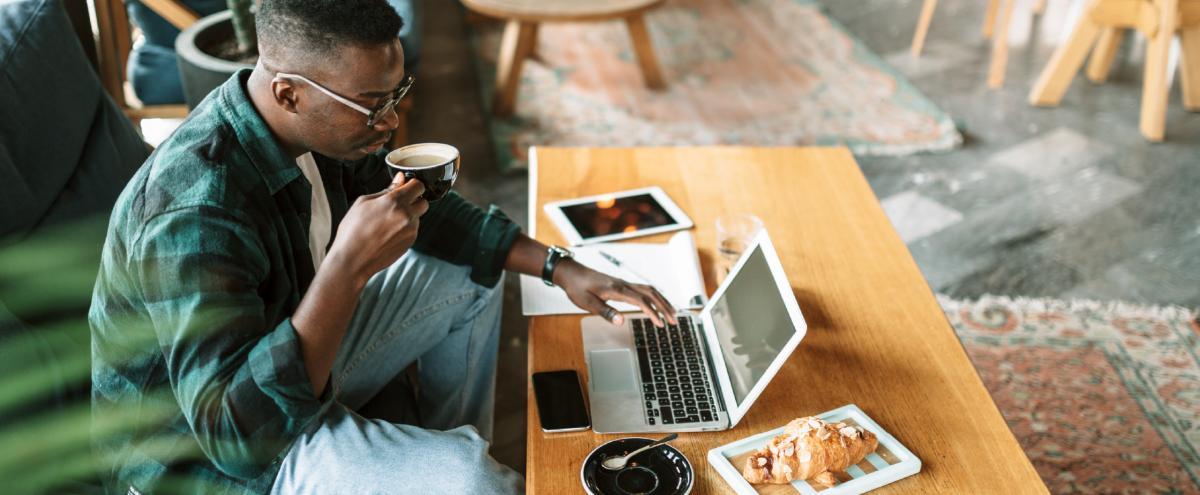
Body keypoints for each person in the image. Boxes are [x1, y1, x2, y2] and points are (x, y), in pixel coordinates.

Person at [89, 0, 677, 493]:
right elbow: (239, 440)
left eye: (397, 94)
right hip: (207, 456)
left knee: (472, 272)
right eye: (373, 104)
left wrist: (558, 266)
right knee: (476, 481)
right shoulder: (195, 215)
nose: (390, 122)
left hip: (287, 360)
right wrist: (346, 268)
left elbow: (436, 217)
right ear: (290, 93)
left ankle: (433, 451)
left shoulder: (319, 128)